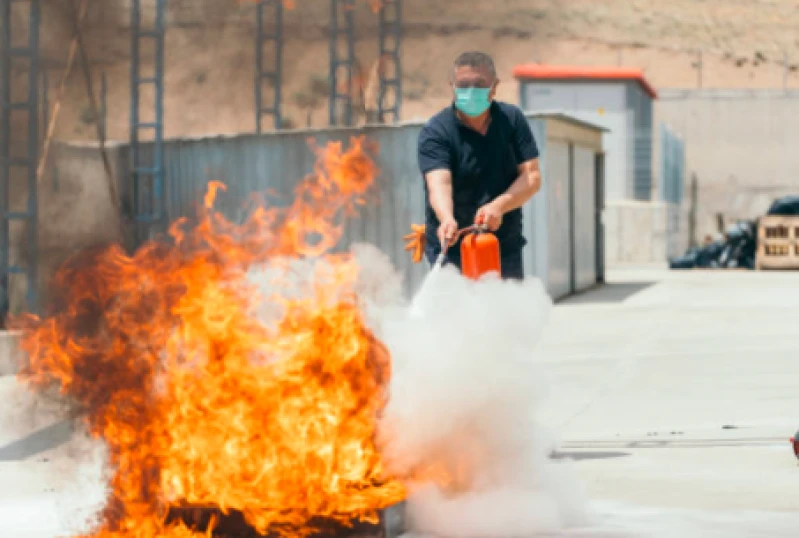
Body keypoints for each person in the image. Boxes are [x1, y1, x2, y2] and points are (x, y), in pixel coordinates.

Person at [416, 51, 542, 280]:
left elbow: (531, 177)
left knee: (504, 314)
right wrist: (446, 218)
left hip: (503, 248)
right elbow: (439, 184)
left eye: (480, 84)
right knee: (456, 314)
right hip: (451, 250)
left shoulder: (512, 121)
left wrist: (500, 206)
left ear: (494, 87)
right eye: (463, 85)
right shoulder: (436, 131)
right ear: (452, 87)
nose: (471, 91)